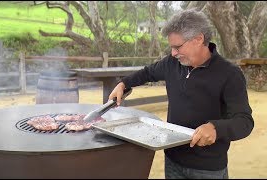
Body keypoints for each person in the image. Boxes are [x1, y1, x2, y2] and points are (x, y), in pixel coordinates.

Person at [108, 9, 254, 179]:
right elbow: (147, 72)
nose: (173, 53)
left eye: (177, 47)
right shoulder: (172, 63)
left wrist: (216, 128)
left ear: (199, 39)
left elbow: (244, 122)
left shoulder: (229, 74)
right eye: (172, 47)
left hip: (207, 168)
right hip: (173, 160)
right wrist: (123, 83)